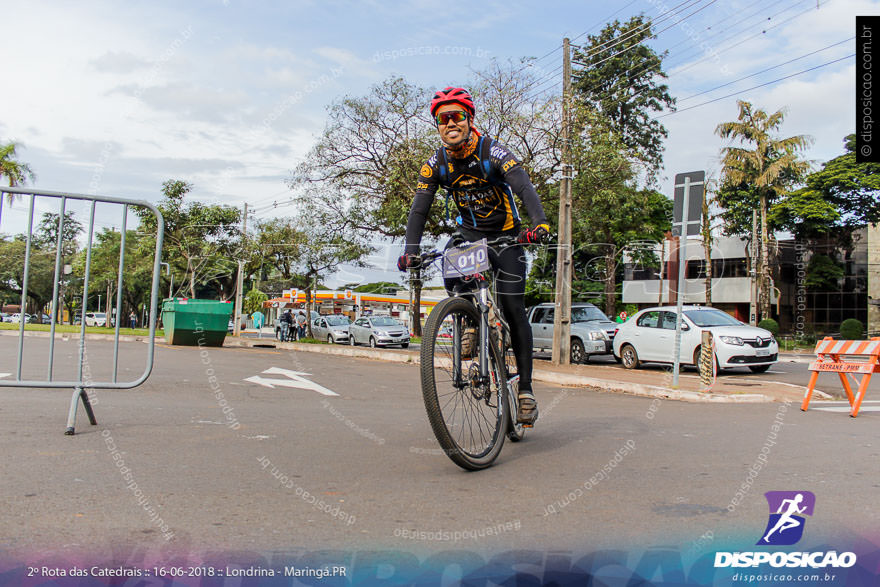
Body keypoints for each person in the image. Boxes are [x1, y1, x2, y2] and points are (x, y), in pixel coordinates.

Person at [397, 87, 550, 426]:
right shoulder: (435, 164)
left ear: (469, 119)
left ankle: (524, 390)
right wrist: (410, 251)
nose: (450, 123)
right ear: (437, 125)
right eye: (443, 118)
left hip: (507, 238)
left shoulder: (493, 152)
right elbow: (419, 211)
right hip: (471, 239)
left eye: (457, 116)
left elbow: (523, 186)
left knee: (513, 308)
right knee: (451, 258)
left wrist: (539, 224)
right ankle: (468, 320)